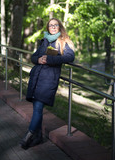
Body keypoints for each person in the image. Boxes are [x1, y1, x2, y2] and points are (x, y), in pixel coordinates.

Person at [20, 18, 75, 149]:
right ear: (48, 28)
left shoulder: (63, 41)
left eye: (56, 25)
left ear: (59, 27)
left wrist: (50, 59)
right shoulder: (44, 40)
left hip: (49, 79)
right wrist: (38, 59)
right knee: (36, 108)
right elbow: (33, 57)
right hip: (37, 78)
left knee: (38, 107)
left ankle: (29, 134)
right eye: (51, 25)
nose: (53, 27)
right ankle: (38, 137)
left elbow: (70, 57)